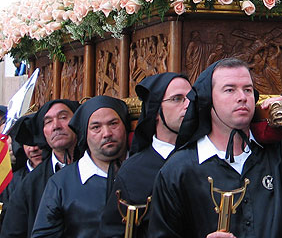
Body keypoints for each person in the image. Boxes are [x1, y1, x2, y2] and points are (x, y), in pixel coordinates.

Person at [147, 57, 282, 238]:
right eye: (230, 90)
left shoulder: (280, 153)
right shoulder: (178, 169)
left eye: (248, 89)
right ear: (207, 99)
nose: (242, 97)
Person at [98, 73, 191, 238]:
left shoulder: (206, 158)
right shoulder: (133, 170)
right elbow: (112, 232)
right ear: (155, 111)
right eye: (177, 99)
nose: (187, 105)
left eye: (191, 98)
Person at [31, 96, 129, 238]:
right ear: (85, 133)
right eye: (96, 127)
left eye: (113, 124)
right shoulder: (61, 183)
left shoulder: (143, 172)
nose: (107, 133)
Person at [1, 100, 79, 238]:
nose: (56, 126)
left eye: (63, 117)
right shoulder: (29, 184)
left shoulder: (101, 168)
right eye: (48, 122)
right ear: (43, 132)